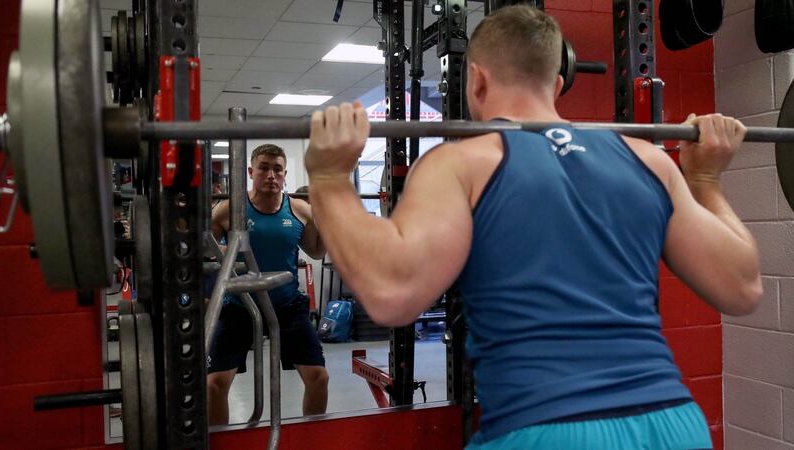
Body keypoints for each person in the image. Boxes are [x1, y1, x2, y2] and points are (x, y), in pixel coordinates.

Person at [302, 5, 762, 449]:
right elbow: (742, 287)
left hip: (543, 430)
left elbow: (391, 291)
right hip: (673, 425)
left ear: (476, 79)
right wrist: (704, 179)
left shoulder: (463, 163)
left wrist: (329, 177)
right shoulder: (648, 159)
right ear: (558, 83)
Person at [207, 144, 328, 425]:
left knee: (319, 377)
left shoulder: (299, 210)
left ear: (285, 174)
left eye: (277, 169)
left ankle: (312, 439)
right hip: (239, 305)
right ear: (251, 171)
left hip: (286, 306)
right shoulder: (229, 209)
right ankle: (223, 443)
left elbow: (317, 252)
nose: (271, 175)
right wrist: (222, 251)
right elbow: (202, 249)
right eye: (263, 167)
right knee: (213, 385)